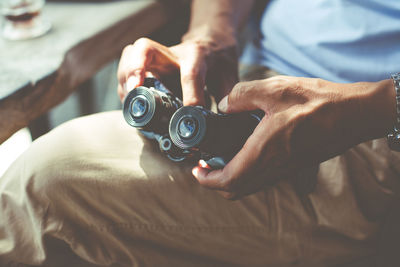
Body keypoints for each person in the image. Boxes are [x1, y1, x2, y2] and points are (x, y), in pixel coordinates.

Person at [1, 0, 400, 266]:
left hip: (368, 131)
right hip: (250, 74)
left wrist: (370, 108)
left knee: (42, 182)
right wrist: (212, 33)